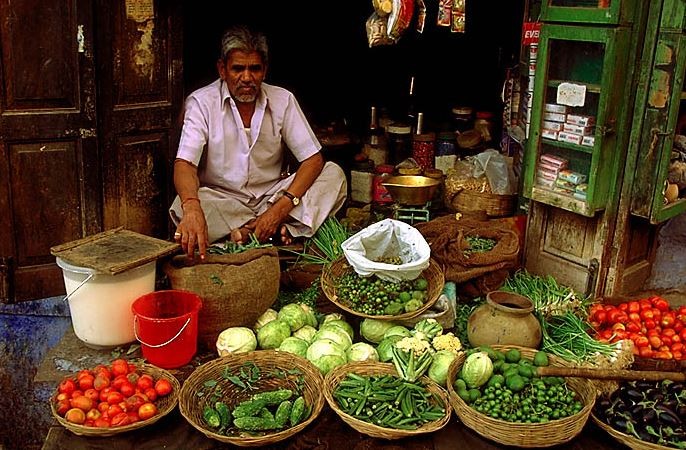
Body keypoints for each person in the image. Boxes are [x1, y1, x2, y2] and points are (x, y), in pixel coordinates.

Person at [170, 25, 347, 259]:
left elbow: (313, 160)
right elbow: (185, 164)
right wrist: (192, 206)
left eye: (254, 69)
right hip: (224, 201)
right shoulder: (202, 103)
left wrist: (279, 209)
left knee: (334, 176)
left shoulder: (282, 99)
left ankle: (250, 232)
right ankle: (280, 231)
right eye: (238, 69)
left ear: (264, 70)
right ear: (222, 70)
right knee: (183, 207)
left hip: (274, 197)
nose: (246, 78)